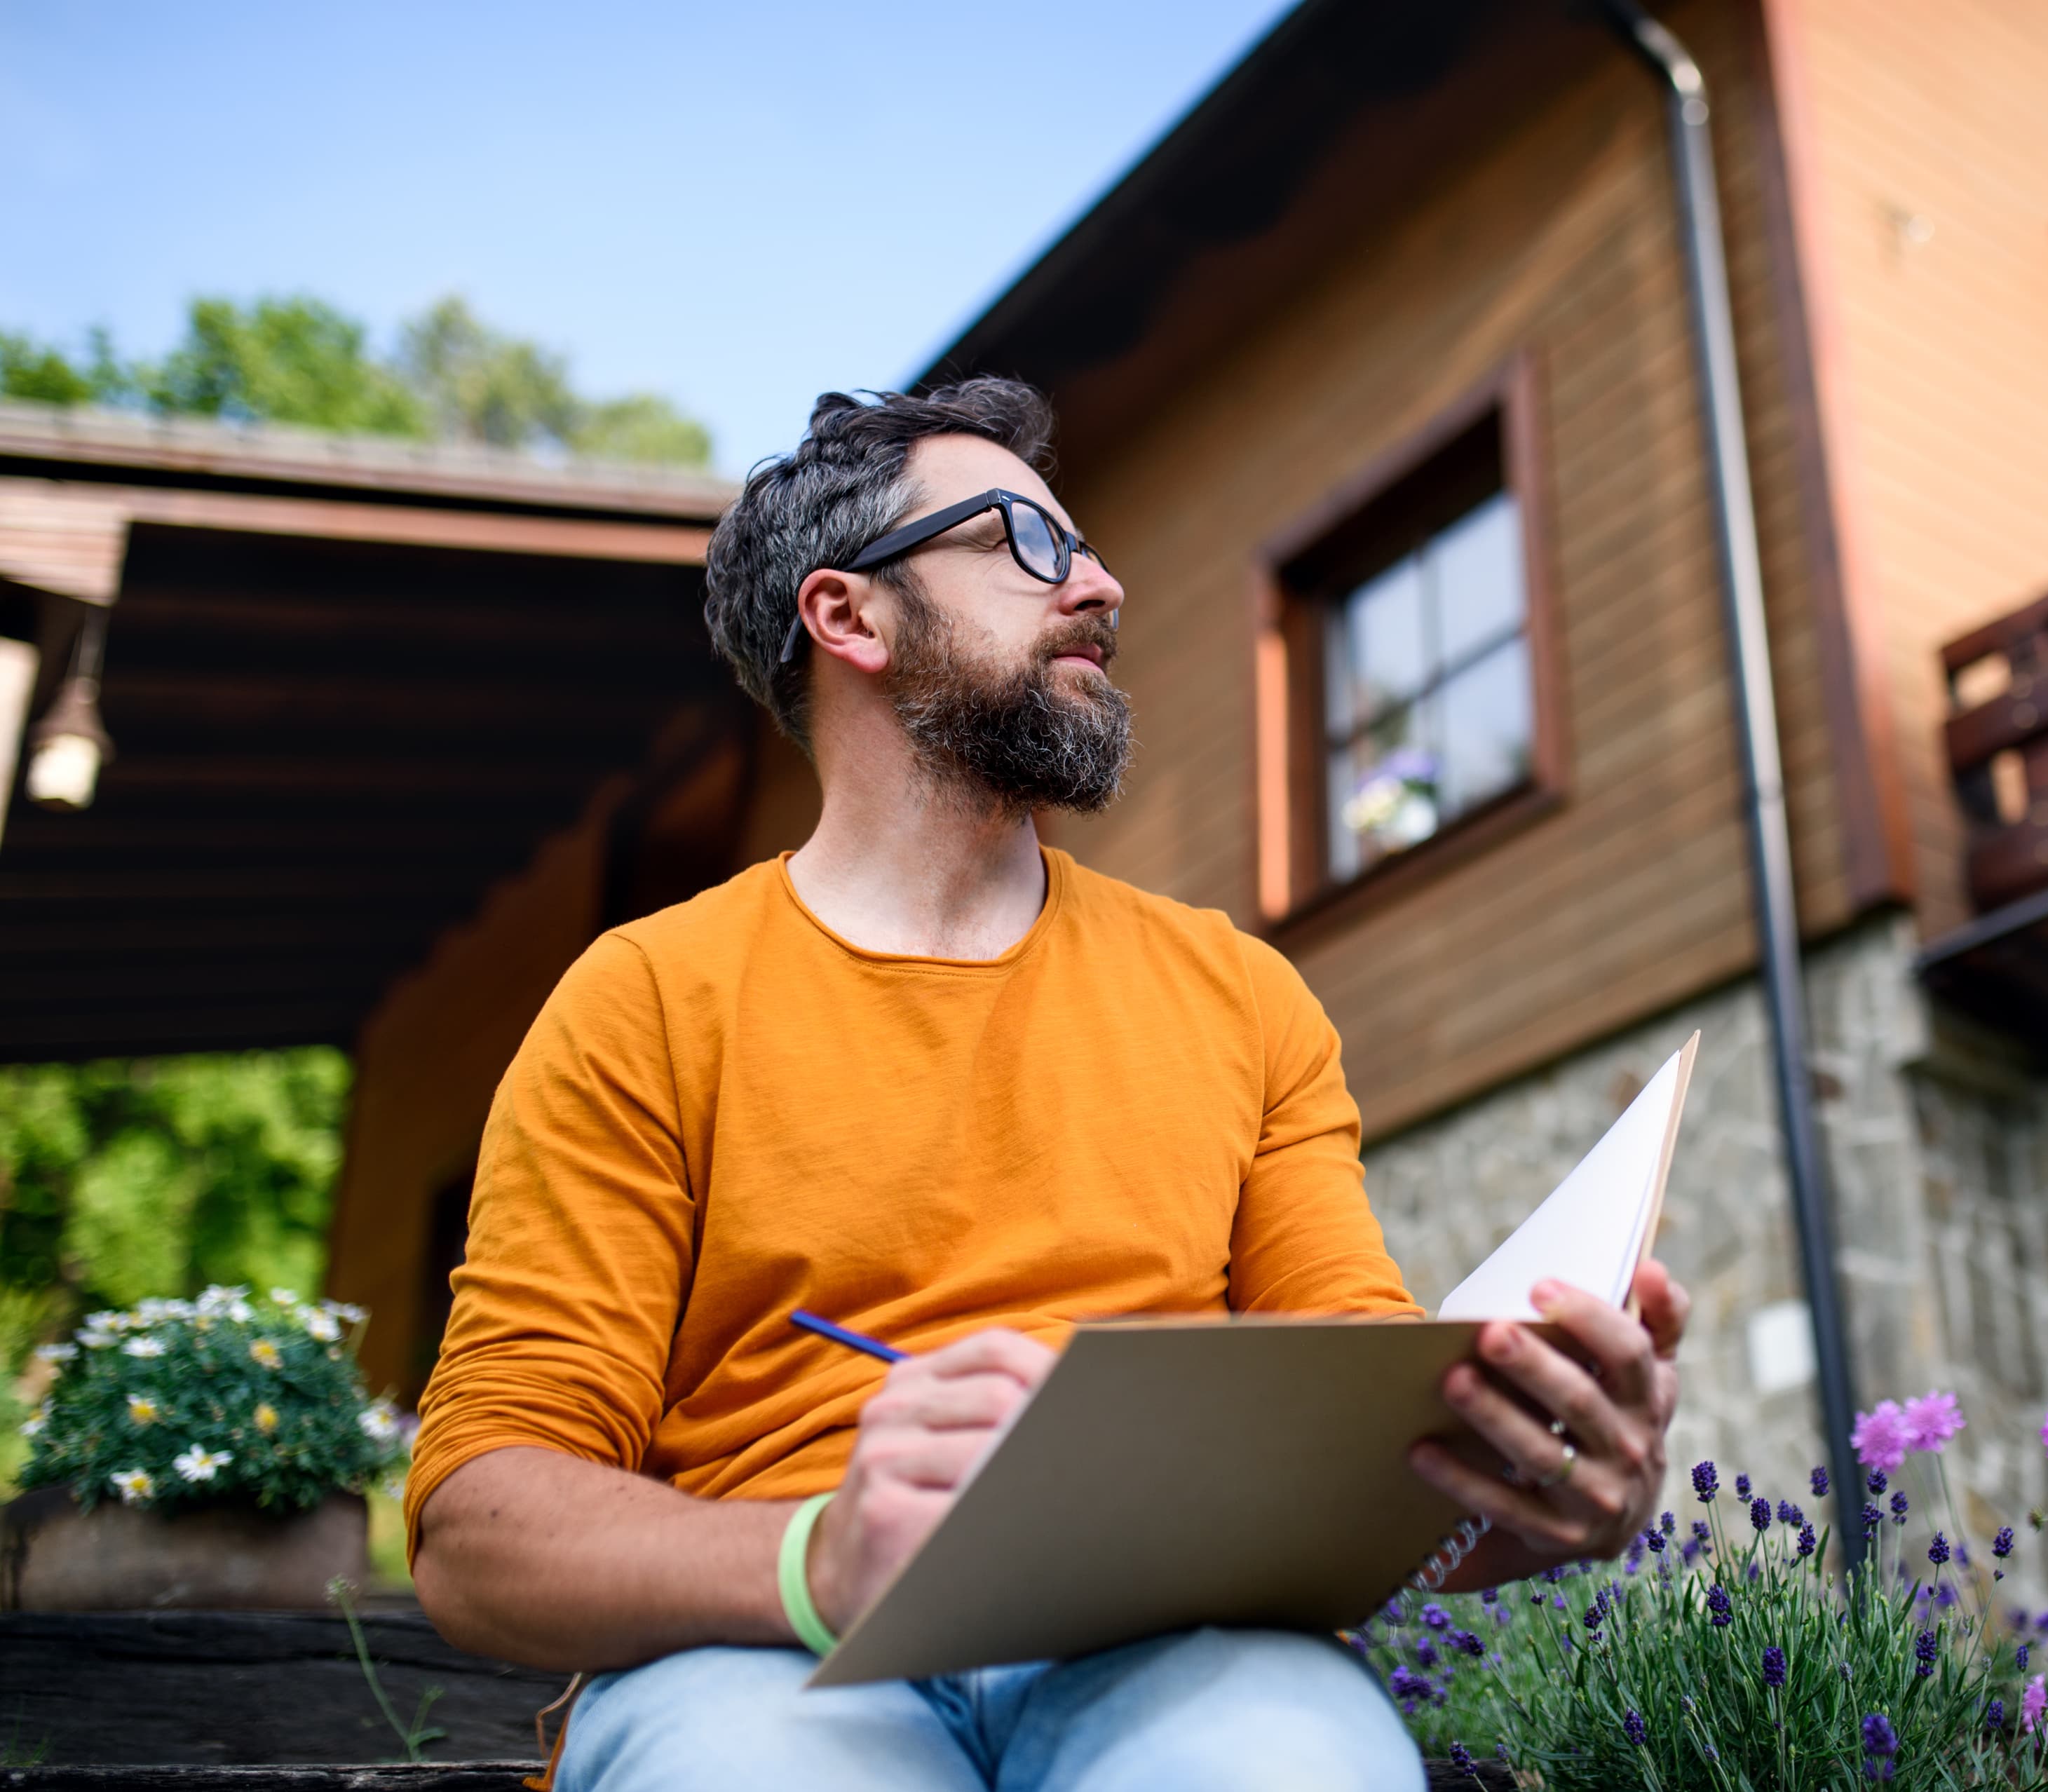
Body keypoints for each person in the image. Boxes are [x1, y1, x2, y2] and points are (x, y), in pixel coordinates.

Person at [408, 380, 1692, 1791]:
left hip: (1171, 1643)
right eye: (1023, 539)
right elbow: (480, 1526)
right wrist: (813, 1557)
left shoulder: (1240, 997)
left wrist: (1544, 1491)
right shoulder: (645, 1000)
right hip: (763, 1651)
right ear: (851, 618)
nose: (1100, 585)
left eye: (1085, 547)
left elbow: (1363, 1470)